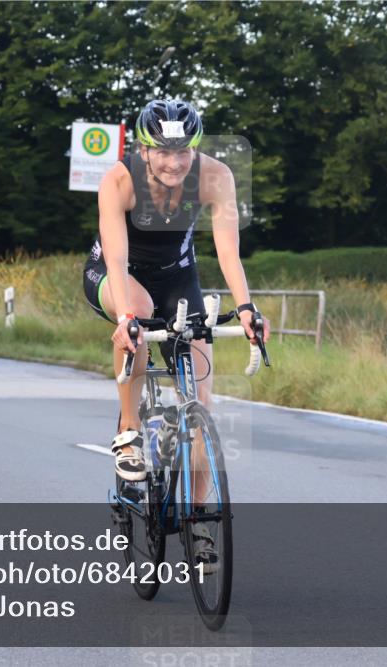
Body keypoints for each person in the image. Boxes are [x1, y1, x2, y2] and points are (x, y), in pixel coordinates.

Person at [82, 100, 270, 553]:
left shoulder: (215, 176)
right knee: (141, 315)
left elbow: (228, 250)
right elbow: (117, 253)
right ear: (143, 150)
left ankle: (201, 521)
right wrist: (127, 318)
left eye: (184, 151)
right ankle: (129, 432)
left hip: (178, 276)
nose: (174, 161)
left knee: (202, 407)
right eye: (163, 151)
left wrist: (246, 308)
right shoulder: (119, 180)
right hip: (117, 273)